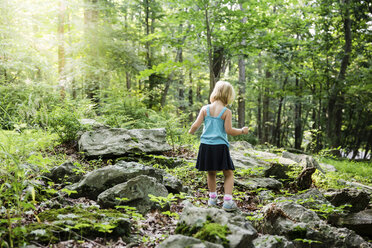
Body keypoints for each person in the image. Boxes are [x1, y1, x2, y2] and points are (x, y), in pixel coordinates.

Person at [188, 81, 249, 211]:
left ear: (215, 92)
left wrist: (191, 132)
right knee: (228, 173)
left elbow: (195, 125)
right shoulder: (226, 111)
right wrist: (242, 131)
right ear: (228, 96)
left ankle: (212, 199)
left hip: (205, 145)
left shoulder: (205, 109)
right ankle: (227, 201)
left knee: (211, 172)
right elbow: (229, 130)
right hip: (220, 146)